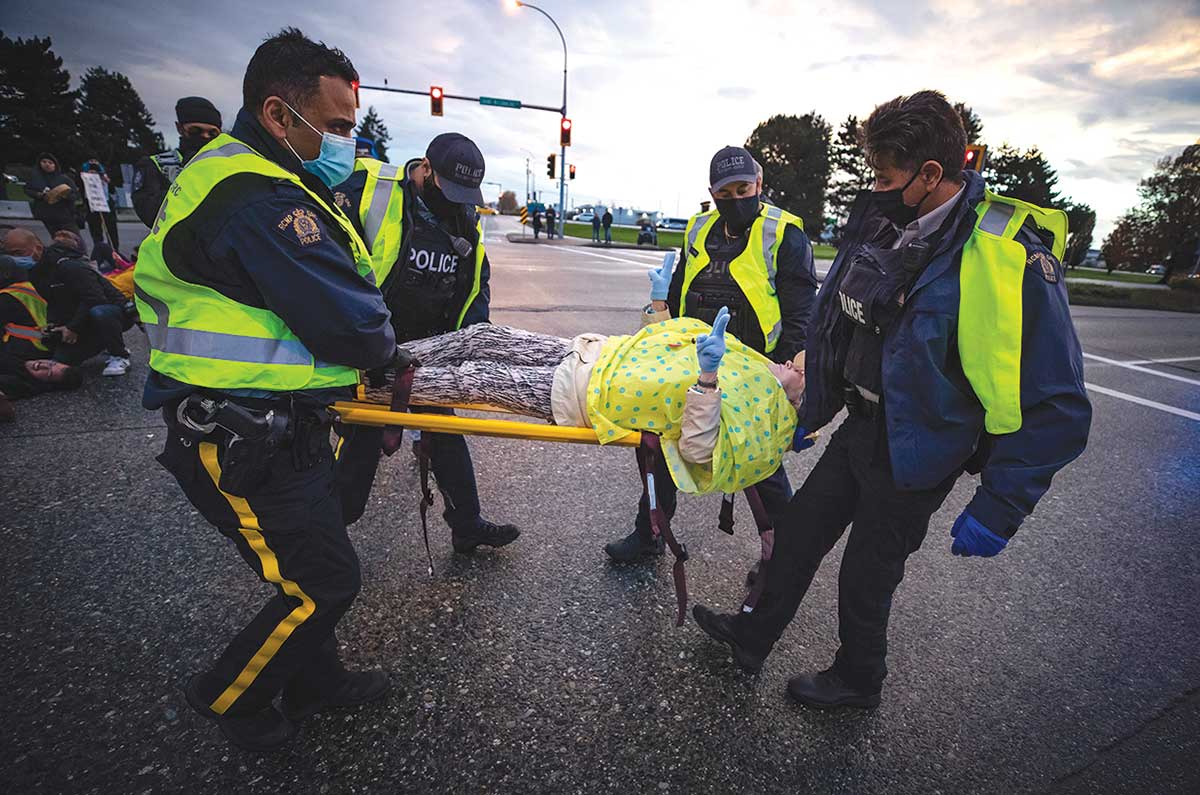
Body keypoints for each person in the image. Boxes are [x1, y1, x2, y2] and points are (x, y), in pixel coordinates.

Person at [691, 90, 1092, 710]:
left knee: (866, 572)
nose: (875, 185)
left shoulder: (1007, 254)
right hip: (864, 423)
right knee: (798, 535)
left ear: (931, 175)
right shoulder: (886, 223)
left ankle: (859, 679)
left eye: (886, 174)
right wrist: (813, 406)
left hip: (923, 446)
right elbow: (835, 323)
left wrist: (1001, 504)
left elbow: (1059, 401)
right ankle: (751, 637)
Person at [134, 28, 396, 751]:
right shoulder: (259, 196)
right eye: (337, 125)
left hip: (277, 423)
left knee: (319, 559)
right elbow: (354, 325)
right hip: (236, 432)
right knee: (322, 582)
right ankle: (232, 698)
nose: (347, 140)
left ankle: (318, 681)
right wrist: (380, 342)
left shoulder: (265, 176)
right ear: (280, 114)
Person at [603, 145, 818, 563]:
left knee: (762, 464)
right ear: (712, 192)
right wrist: (662, 313)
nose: (736, 199)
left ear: (759, 185)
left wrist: (791, 384)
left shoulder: (784, 233)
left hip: (757, 370)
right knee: (659, 445)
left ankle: (786, 556)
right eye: (726, 192)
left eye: (744, 189)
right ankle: (649, 532)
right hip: (694, 360)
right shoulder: (699, 229)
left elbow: (801, 315)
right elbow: (682, 290)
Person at [364, 307, 804, 495]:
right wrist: (657, 307)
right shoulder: (754, 367)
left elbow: (698, 450)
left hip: (578, 394)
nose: (792, 361)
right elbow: (661, 351)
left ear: (806, 393)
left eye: (800, 368)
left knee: (473, 379)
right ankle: (376, 360)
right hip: (590, 353)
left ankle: (366, 387)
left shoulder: (763, 421)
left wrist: (708, 381)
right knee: (484, 336)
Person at [332, 133, 520, 552]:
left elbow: (475, 283)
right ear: (426, 169)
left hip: (430, 352)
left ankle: (466, 523)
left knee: (445, 433)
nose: (456, 203)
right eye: (449, 190)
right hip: (372, 350)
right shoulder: (369, 191)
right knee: (359, 445)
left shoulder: (463, 218)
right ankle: (326, 542)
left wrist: (471, 340)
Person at [3, 228, 133, 376]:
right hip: (82, 317)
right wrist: (52, 324)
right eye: (10, 254)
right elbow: (52, 301)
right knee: (61, 360)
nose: (14, 259)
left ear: (37, 248)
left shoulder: (67, 265)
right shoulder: (35, 271)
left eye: (18, 253)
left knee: (100, 313)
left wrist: (73, 328)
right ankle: (104, 341)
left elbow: (95, 299)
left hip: (112, 313)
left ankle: (119, 354)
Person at [132, 96, 223, 227]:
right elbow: (151, 213)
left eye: (212, 134)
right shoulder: (154, 165)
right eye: (195, 131)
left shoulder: (225, 164)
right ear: (180, 128)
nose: (205, 137)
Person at [0, 253, 50, 359]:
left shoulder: (6, 297)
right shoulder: (27, 286)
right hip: (47, 341)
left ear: (6, 274)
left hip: (25, 347)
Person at [26, 153, 80, 237]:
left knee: (75, 239)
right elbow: (28, 190)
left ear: (55, 165)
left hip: (64, 215)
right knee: (57, 238)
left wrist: (64, 195)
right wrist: (38, 194)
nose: (47, 164)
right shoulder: (34, 177)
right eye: (44, 162)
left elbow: (75, 195)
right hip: (46, 214)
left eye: (50, 163)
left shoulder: (64, 179)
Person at [80, 158, 120, 252]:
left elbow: (112, 190)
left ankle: (115, 251)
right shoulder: (84, 179)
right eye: (91, 172)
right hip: (93, 208)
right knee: (96, 232)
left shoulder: (104, 179)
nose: (93, 174)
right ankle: (100, 251)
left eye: (95, 172)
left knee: (111, 231)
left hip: (107, 206)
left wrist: (108, 182)